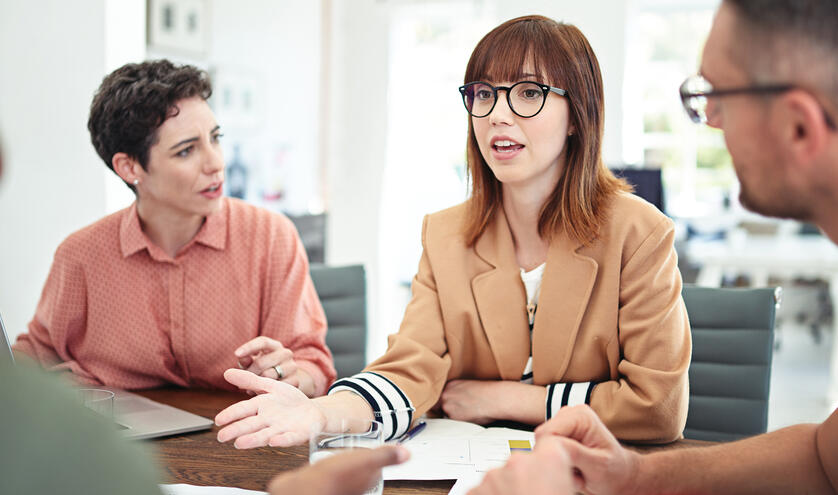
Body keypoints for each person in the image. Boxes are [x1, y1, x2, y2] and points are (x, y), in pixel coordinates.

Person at [214, 14, 691, 450]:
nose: (498, 114)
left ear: (577, 114)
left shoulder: (638, 231)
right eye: (484, 94)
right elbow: (410, 368)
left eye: (529, 92)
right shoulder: (446, 235)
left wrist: (501, 399)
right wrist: (321, 413)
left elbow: (657, 407)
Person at [469, 1, 838, 493]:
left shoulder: (637, 231)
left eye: (718, 96)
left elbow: (657, 406)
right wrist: (637, 474)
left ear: (799, 126)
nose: (710, 122)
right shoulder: (458, 232)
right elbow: (821, 456)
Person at [12, 60, 335, 396]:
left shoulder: (270, 237)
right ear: (130, 167)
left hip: (242, 435)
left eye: (215, 138)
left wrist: (291, 376)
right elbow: (37, 357)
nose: (215, 163)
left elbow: (314, 365)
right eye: (186, 151)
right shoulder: (81, 255)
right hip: (118, 433)